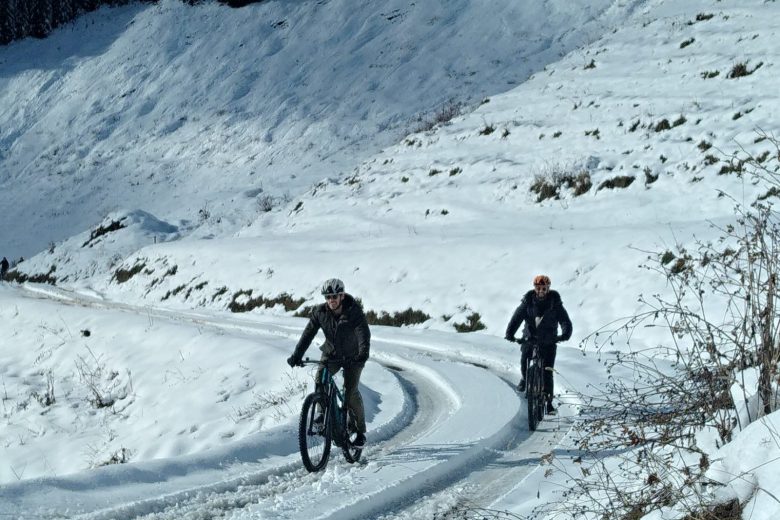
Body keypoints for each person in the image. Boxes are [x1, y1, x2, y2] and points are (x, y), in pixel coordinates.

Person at [287, 278, 371, 447]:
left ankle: (360, 432)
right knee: (320, 380)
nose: (331, 300)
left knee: (350, 392)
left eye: (334, 296)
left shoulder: (353, 311)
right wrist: (297, 355)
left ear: (341, 295)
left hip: (353, 357)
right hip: (331, 354)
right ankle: (320, 414)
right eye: (327, 297)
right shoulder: (320, 312)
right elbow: (308, 334)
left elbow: (363, 333)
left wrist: (363, 353)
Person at [505, 274, 572, 415]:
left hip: (549, 341)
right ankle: (525, 378)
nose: (541, 291)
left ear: (548, 288)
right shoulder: (528, 302)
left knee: (547, 372)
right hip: (530, 338)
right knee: (524, 360)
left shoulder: (555, 303)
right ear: (534, 288)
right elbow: (516, 318)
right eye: (538, 288)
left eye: (544, 288)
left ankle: (548, 403)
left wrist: (565, 334)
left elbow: (565, 321)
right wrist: (510, 333)